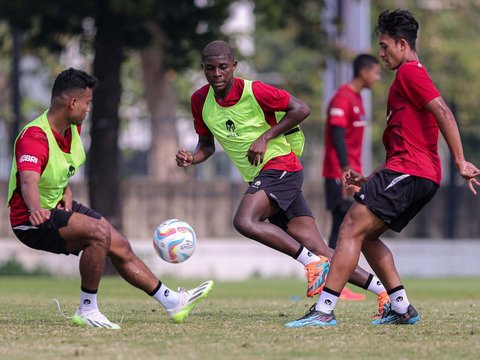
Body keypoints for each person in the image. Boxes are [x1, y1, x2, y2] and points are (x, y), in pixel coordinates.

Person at [285, 9, 480, 328]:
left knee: (349, 227)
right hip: (412, 173)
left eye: (385, 46)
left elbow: (443, 111)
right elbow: (404, 145)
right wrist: (370, 178)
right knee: (368, 236)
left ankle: (324, 310)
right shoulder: (408, 78)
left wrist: (459, 160)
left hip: (412, 171)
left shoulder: (410, 73)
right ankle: (401, 308)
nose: (381, 53)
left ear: (402, 45)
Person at [176, 40, 389, 313]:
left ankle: (311, 263)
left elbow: (301, 108)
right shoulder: (199, 100)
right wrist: (192, 158)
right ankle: (383, 292)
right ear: (203, 69)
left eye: (223, 67)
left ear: (234, 66)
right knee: (320, 246)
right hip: (262, 177)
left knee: (244, 220)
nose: (217, 73)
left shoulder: (255, 91)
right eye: (210, 68)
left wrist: (265, 137)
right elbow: (206, 145)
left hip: (281, 167)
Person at [7, 68, 213, 330]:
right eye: (87, 103)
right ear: (72, 103)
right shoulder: (34, 137)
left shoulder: (73, 128)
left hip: (55, 206)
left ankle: (173, 302)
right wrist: (36, 209)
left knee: (120, 245)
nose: (88, 109)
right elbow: (28, 180)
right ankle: (88, 309)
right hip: (30, 219)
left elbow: (57, 167)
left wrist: (66, 190)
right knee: (98, 233)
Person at [322, 54, 382, 301]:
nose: (378, 78)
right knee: (341, 226)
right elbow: (337, 136)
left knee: (345, 226)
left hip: (351, 173)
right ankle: (332, 284)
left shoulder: (357, 99)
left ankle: (333, 282)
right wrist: (345, 169)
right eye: (376, 73)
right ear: (364, 72)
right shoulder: (342, 98)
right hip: (339, 173)